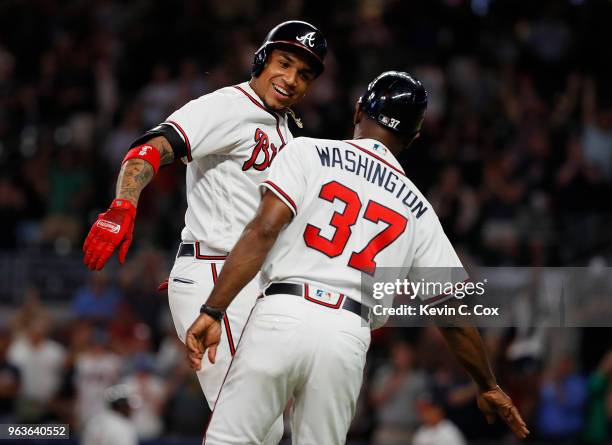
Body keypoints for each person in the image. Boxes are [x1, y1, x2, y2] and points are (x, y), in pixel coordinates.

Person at [186, 71, 530, 444]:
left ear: (357, 111)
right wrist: (487, 383)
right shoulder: (418, 207)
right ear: (413, 138)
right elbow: (450, 311)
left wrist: (213, 309)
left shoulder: (307, 151)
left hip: (282, 312)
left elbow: (263, 230)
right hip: (347, 334)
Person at [82, 20, 327, 445]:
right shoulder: (228, 106)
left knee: (266, 426)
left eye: (303, 74)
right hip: (216, 276)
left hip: (247, 280)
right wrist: (123, 204)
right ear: (261, 60)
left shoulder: (288, 128)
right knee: (251, 426)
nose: (290, 79)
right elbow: (151, 149)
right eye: (284, 63)